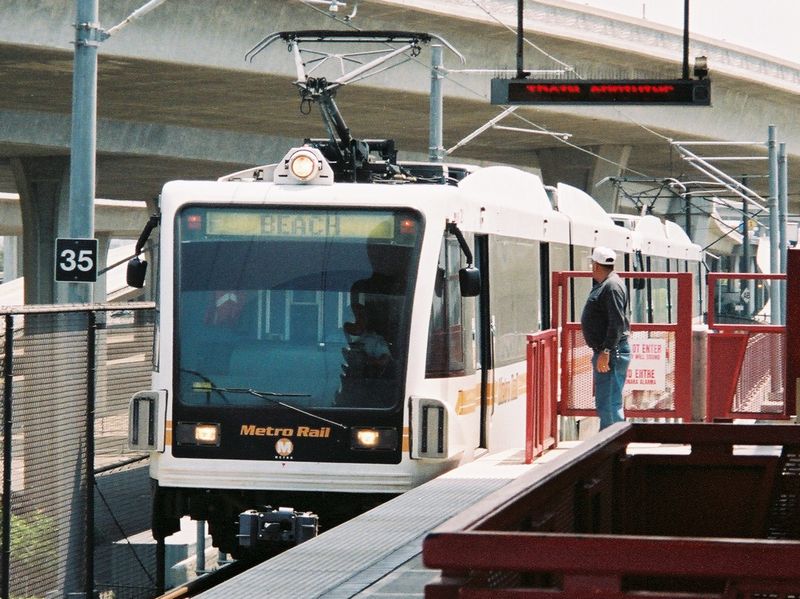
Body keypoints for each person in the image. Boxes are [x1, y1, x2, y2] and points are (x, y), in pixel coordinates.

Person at [580, 246, 631, 429]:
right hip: (608, 351)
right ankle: (608, 444)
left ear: (595, 265)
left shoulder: (611, 286)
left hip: (612, 352)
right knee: (606, 401)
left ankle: (614, 446)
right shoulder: (610, 284)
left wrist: (607, 350)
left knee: (610, 402)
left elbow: (616, 322)